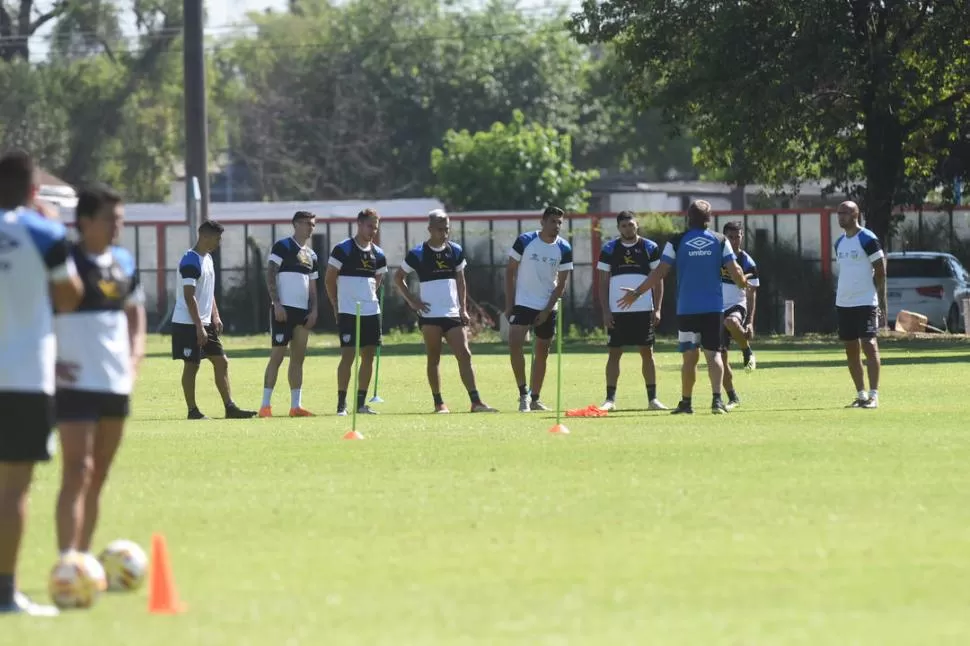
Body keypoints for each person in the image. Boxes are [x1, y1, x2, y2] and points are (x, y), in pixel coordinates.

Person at [0, 150, 83, 616]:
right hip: (23, 377)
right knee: (13, 490)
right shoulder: (45, 232)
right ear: (33, 191)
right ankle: (5, 594)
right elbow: (70, 297)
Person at [53, 184, 146, 558]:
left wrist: (135, 358)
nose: (116, 227)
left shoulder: (124, 261)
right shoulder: (64, 264)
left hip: (114, 383)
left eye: (120, 220)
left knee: (97, 477)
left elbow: (135, 315)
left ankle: (84, 558)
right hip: (74, 384)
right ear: (85, 222)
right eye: (110, 219)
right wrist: (52, 361)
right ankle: (67, 561)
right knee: (77, 470)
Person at [617, 200, 751, 415]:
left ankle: (686, 403)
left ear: (688, 218)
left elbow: (660, 271)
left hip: (687, 308)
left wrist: (637, 293)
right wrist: (743, 283)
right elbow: (735, 271)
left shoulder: (677, 241)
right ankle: (717, 401)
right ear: (708, 219)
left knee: (689, 357)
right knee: (713, 354)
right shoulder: (719, 240)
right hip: (713, 308)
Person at [394, 209, 498, 414]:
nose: (444, 233)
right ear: (430, 229)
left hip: (452, 314)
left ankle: (476, 402)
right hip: (430, 315)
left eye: (447, 229)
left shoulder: (455, 250)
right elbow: (398, 278)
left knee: (465, 354)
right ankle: (439, 403)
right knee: (434, 358)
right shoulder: (418, 253)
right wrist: (413, 301)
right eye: (440, 229)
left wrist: (462, 308)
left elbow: (461, 280)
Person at [170, 220, 255, 420]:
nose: (219, 242)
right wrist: (199, 326)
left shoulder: (207, 258)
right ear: (204, 236)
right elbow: (189, 296)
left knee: (222, 362)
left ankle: (230, 407)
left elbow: (208, 291)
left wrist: (215, 315)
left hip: (204, 322)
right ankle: (193, 411)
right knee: (192, 365)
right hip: (187, 323)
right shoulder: (190, 260)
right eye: (217, 238)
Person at [596, 211, 668, 411]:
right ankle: (610, 400)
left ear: (637, 225)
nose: (628, 228)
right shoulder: (609, 249)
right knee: (614, 353)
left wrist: (658, 308)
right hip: (617, 312)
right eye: (624, 226)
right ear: (619, 228)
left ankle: (652, 399)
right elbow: (602, 282)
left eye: (631, 224)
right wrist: (606, 311)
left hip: (644, 310)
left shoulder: (650, 247)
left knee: (647, 352)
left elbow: (658, 279)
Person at [505, 206, 574, 413]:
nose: (556, 226)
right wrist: (509, 305)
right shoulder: (525, 241)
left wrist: (546, 310)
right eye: (553, 221)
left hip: (547, 306)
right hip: (523, 303)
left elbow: (561, 285)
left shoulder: (564, 248)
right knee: (515, 344)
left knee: (542, 353)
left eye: (560, 223)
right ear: (542, 222)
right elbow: (509, 272)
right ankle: (522, 394)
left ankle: (535, 398)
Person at [325, 208, 387, 416]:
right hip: (348, 312)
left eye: (375, 228)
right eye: (370, 226)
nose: (373, 231)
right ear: (359, 224)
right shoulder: (343, 249)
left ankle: (361, 404)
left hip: (371, 311)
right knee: (348, 356)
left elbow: (378, 278)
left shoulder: (378, 254)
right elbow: (329, 278)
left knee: (368, 357)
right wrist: (336, 304)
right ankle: (341, 404)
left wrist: (368, 296)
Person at [259, 211, 319, 418]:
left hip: (302, 314)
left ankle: (296, 406)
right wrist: (276, 304)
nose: (310, 228)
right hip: (283, 310)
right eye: (306, 223)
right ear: (295, 224)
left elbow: (312, 286)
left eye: (313, 224)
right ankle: (265, 406)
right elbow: (270, 273)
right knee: (277, 356)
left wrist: (314, 310)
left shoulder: (312, 255)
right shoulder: (282, 246)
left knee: (298, 359)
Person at [834, 200, 886, 409]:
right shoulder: (839, 242)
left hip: (865, 301)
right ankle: (861, 394)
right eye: (838, 213)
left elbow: (881, 269)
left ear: (855, 215)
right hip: (844, 303)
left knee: (869, 345)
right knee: (851, 349)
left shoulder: (867, 238)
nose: (840, 217)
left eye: (844, 213)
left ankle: (874, 395)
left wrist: (881, 301)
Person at [719, 221, 760, 409]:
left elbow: (751, 294)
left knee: (731, 321)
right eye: (730, 237)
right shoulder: (716, 258)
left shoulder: (748, 262)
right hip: (716, 308)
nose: (735, 241)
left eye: (738, 237)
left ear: (742, 237)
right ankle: (732, 396)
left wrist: (750, 322)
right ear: (724, 238)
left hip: (737, 305)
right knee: (720, 358)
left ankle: (746, 350)